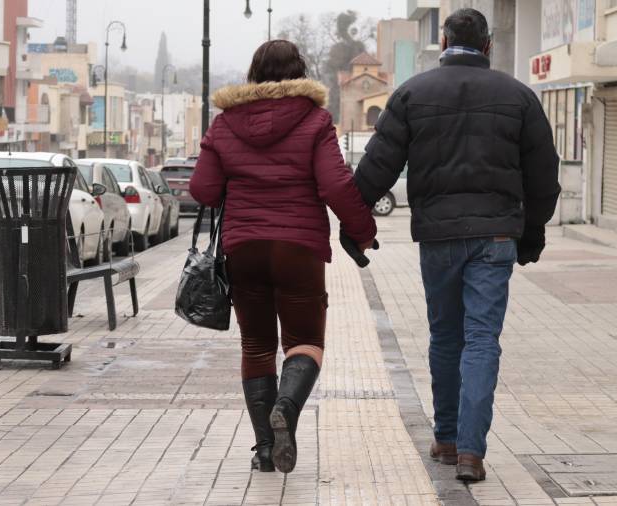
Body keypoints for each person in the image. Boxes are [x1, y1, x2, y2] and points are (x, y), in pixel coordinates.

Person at [354, 8, 561, 482]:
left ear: (443, 41)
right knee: (482, 340)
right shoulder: (519, 96)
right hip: (495, 237)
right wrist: (532, 231)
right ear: (488, 46)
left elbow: (377, 167)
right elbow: (544, 177)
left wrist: (353, 221)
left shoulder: (412, 94)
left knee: (445, 337)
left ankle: (446, 437)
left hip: (439, 236)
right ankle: (470, 452)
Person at [189, 40, 377, 474]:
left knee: (256, 346)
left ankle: (266, 451)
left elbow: (202, 190)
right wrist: (362, 231)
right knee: (304, 343)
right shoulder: (315, 121)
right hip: (299, 249)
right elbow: (334, 185)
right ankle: (286, 412)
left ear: (253, 75)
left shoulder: (224, 124)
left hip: (244, 249)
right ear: (300, 74)